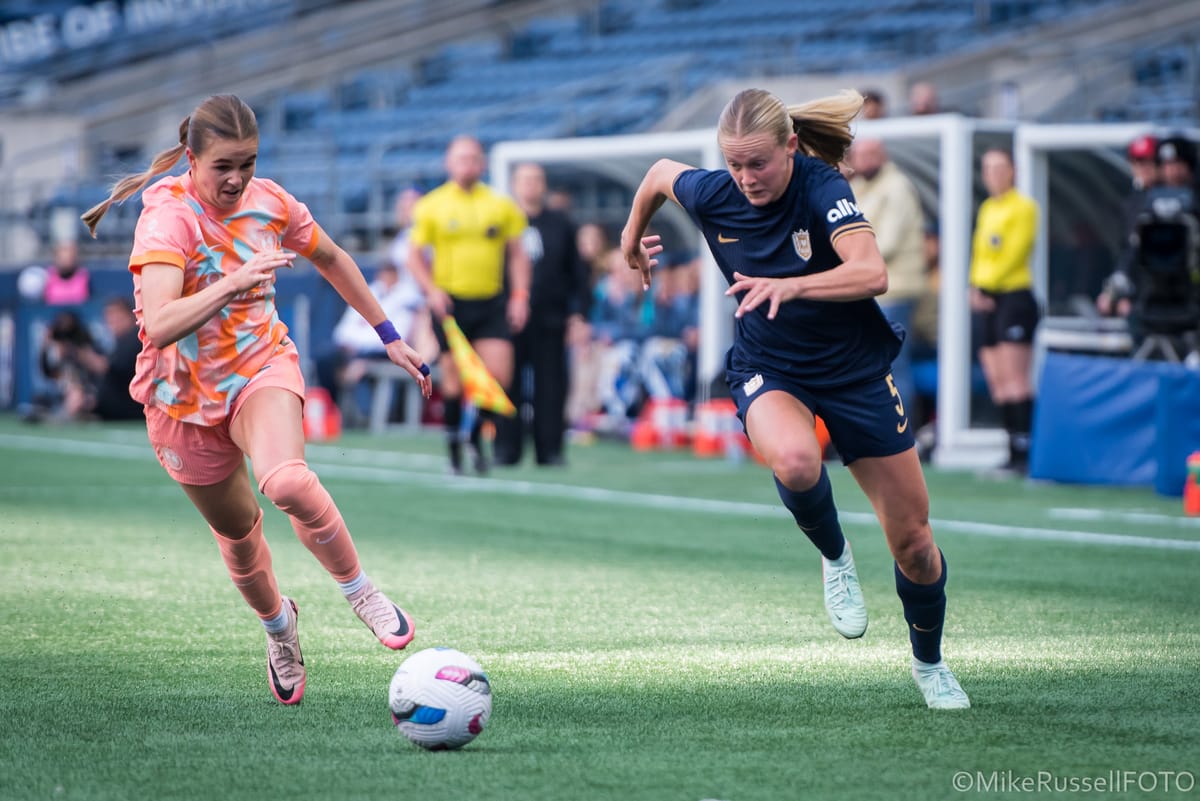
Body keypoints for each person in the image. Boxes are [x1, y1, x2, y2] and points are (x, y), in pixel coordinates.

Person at [621, 87, 969, 710]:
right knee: (798, 461)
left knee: (915, 542)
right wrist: (631, 238)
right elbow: (656, 176)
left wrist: (791, 284)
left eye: (758, 163)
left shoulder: (821, 188)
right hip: (769, 365)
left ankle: (930, 663)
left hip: (855, 370)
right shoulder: (715, 191)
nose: (745, 178)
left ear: (789, 146)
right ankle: (836, 559)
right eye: (734, 164)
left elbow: (872, 274)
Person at [79, 94, 432, 706]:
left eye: (247, 162)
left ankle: (362, 592)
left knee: (287, 480)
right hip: (181, 402)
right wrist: (233, 283)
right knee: (240, 537)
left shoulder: (269, 202)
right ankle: (280, 629)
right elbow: (159, 324)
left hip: (258, 368)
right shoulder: (168, 220)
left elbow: (331, 256)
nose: (237, 178)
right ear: (191, 159)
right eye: (223, 166)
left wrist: (390, 336)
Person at [407, 135, 532, 475]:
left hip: (491, 301)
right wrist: (432, 290)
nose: (468, 164)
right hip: (450, 303)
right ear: (449, 163)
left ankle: (474, 436)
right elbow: (414, 256)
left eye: (474, 158)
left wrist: (520, 296)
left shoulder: (500, 205)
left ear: (483, 164)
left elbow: (519, 255)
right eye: (461, 158)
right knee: (454, 382)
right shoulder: (432, 205)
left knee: (498, 377)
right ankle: (453, 450)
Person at [494, 162, 591, 466]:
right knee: (507, 383)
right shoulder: (500, 223)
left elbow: (578, 273)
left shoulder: (561, 224)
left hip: (551, 318)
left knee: (551, 386)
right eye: (525, 180)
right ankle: (506, 449)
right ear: (514, 184)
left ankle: (550, 450)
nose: (531, 185)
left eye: (536, 180)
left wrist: (578, 315)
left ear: (544, 185)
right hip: (508, 319)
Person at [968, 148, 1040, 474]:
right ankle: (1010, 450)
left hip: (1013, 297)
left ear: (1013, 171)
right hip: (986, 299)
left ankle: (1026, 451)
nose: (994, 174)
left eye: (1000, 167)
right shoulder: (986, 208)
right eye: (988, 167)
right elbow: (980, 255)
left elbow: (1014, 253)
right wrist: (974, 288)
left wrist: (987, 286)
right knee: (997, 381)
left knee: (1016, 379)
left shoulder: (1024, 208)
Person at [846, 137, 927, 422]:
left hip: (895, 290)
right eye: (859, 155)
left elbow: (887, 243)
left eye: (871, 154)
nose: (864, 160)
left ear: (883, 155)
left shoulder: (897, 188)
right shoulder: (857, 189)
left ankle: (906, 433)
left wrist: (844, 256)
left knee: (893, 365)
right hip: (866, 292)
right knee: (869, 365)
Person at [315, 260, 425, 425]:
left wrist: (363, 351)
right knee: (324, 358)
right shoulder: (369, 293)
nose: (385, 280)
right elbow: (343, 330)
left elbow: (399, 336)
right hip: (354, 349)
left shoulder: (406, 297)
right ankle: (336, 409)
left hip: (385, 351)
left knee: (371, 356)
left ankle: (372, 411)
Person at [1096, 134, 1160, 319]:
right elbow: (1129, 249)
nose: (1143, 168)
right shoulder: (1132, 203)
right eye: (1137, 162)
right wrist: (1120, 291)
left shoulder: (1180, 199)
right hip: (1141, 295)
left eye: (1148, 161)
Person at [42, 240, 91, 306]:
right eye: (62, 258)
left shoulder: (84, 276)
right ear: (55, 257)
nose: (66, 261)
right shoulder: (46, 277)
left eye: (70, 257)